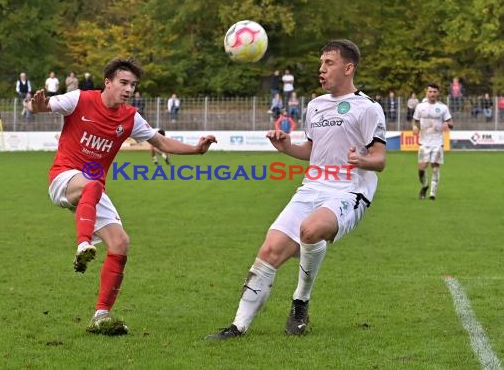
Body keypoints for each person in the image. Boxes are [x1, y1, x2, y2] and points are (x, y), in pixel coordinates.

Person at [206, 39, 386, 340]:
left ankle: (300, 300)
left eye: (328, 63)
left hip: (349, 190)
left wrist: (363, 159)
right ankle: (237, 327)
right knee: (269, 250)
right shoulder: (314, 106)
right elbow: (311, 151)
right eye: (321, 63)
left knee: (311, 229)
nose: (321, 69)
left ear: (348, 67)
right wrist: (286, 146)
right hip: (312, 185)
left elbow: (380, 158)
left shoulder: (368, 108)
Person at [27, 58, 217, 336]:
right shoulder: (80, 99)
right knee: (92, 185)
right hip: (64, 178)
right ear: (108, 82)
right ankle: (82, 245)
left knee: (120, 243)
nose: (129, 89)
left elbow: (161, 142)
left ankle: (101, 316)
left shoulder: (130, 117)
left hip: (92, 188)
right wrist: (37, 105)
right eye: (123, 83)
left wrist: (197, 150)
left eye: (133, 85)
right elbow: (42, 106)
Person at [412, 83, 453, 200]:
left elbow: (451, 123)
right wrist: (414, 127)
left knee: (435, 168)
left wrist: (447, 124)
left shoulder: (443, 108)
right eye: (430, 92)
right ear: (427, 92)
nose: (432, 94)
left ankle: (432, 194)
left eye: (434, 92)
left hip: (437, 143)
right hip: (424, 142)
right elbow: (415, 121)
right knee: (421, 168)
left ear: (438, 93)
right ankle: (425, 186)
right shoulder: (420, 107)